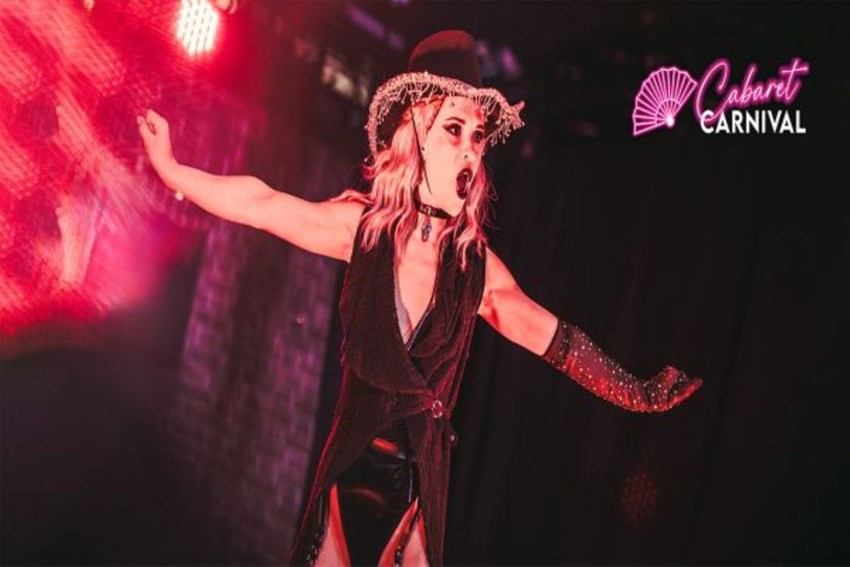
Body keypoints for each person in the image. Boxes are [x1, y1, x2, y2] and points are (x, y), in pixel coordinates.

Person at [138, 30, 703, 567]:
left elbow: (556, 339)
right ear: (416, 131)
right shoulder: (364, 231)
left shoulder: (474, 270)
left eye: (477, 138)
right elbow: (261, 204)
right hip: (349, 470)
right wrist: (173, 170)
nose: (470, 151)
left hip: (419, 485)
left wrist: (636, 393)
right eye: (454, 130)